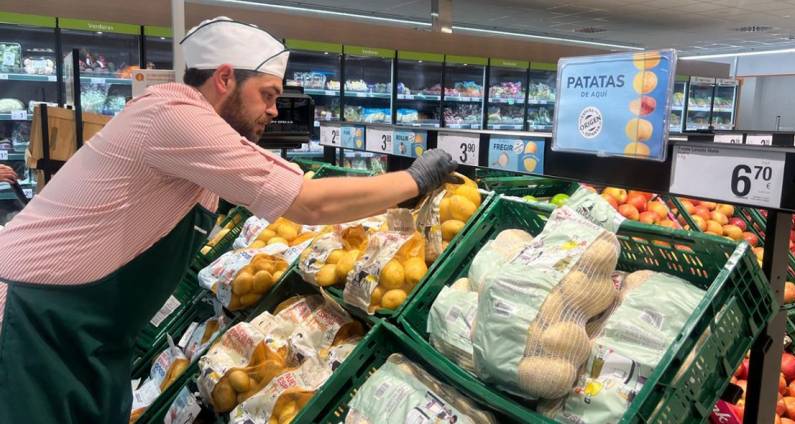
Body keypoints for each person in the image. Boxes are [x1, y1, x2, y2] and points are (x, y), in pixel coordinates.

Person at [0, 16, 458, 423]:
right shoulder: (174, 116)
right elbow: (310, 204)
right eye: (267, 95)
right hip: (35, 320)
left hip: (89, 331)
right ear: (224, 78)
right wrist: (414, 179)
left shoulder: (193, 128)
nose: (274, 110)